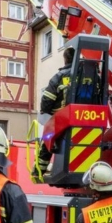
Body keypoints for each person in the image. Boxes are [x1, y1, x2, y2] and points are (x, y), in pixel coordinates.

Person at [32, 47, 75, 178]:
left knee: (47, 140)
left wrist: (46, 114)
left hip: (62, 120)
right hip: (88, 118)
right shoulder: (90, 75)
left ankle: (39, 171)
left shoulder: (59, 77)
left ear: (65, 59)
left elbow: (47, 99)